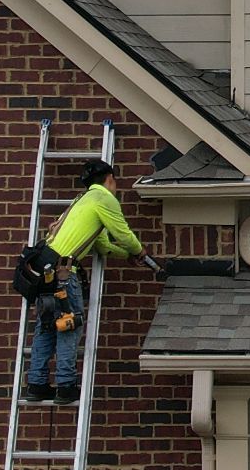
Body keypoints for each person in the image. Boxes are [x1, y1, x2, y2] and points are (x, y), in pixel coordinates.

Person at [23, 157, 165, 405]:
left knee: (46, 328)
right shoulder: (103, 198)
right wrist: (139, 251)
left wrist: (125, 256)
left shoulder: (81, 201)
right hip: (65, 274)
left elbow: (100, 244)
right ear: (110, 179)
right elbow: (123, 233)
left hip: (46, 273)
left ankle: (37, 385)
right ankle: (66, 388)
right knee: (68, 327)